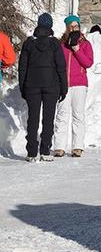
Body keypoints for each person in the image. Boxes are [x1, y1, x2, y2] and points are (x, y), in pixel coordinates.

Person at [18, 13, 67, 162]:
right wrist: (64, 87)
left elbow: (22, 67)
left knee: (33, 118)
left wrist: (22, 87)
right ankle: (45, 151)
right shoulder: (55, 44)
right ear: (50, 26)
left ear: (38, 25)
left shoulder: (29, 43)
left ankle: (32, 152)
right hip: (51, 86)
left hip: (32, 85)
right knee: (48, 119)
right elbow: (61, 67)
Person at [54, 15, 94, 158]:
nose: (73, 28)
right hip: (64, 84)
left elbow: (88, 63)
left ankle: (78, 146)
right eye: (70, 26)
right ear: (66, 28)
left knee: (78, 115)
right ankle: (59, 147)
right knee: (61, 115)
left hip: (80, 84)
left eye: (76, 25)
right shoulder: (61, 44)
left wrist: (76, 49)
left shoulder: (85, 44)